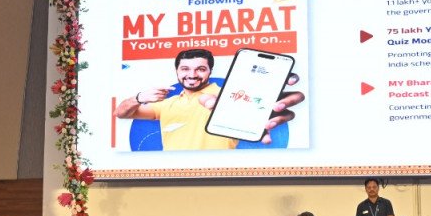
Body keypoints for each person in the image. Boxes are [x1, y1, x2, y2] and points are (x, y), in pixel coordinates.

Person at [114, 48, 304, 150]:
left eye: (200, 69)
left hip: (218, 174)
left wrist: (258, 103)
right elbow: (121, 113)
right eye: (185, 69)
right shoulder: (166, 105)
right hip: (174, 177)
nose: (192, 75)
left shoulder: (227, 95)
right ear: (177, 71)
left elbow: (245, 102)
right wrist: (138, 98)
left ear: (210, 71)